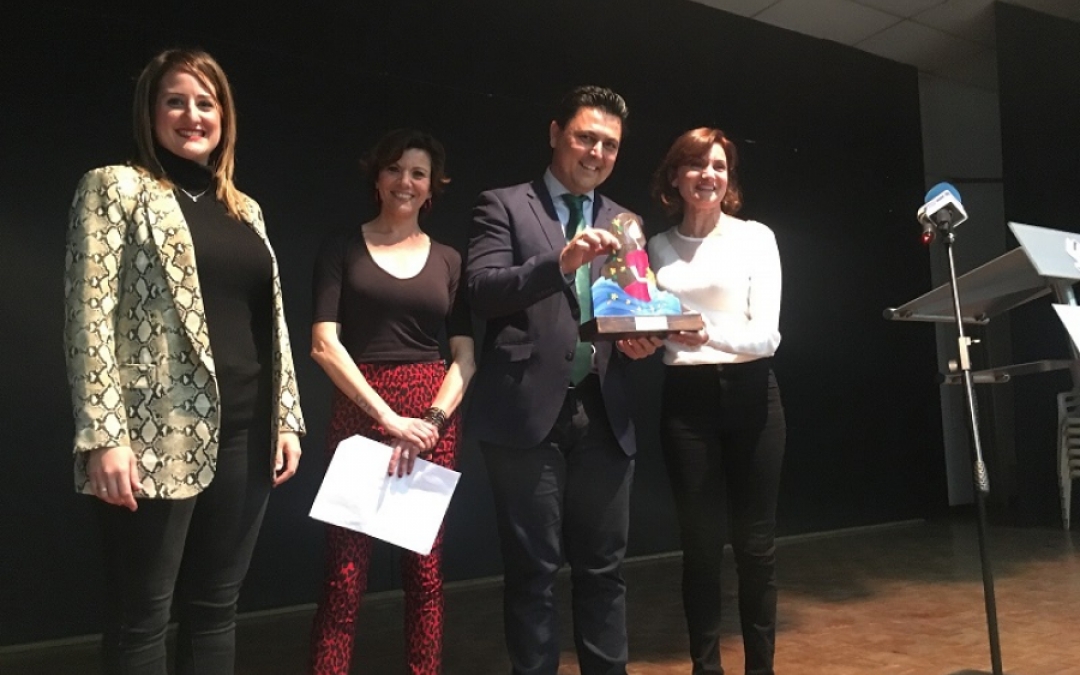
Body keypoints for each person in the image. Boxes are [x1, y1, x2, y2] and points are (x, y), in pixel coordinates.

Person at [63, 48, 306, 675]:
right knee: (141, 617)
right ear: (150, 112)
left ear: (224, 117)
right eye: (175, 101)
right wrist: (104, 436)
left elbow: (271, 322)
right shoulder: (115, 187)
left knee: (216, 610)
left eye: (206, 102)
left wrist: (286, 418)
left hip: (246, 434)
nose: (193, 115)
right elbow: (88, 318)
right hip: (151, 436)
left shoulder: (244, 208)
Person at [466, 86, 661, 675]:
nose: (597, 153)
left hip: (604, 413)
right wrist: (561, 262)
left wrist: (641, 341)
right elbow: (482, 291)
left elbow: (633, 308)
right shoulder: (503, 205)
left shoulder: (626, 221)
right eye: (586, 138)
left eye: (610, 145)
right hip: (526, 416)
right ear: (556, 134)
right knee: (533, 574)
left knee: (604, 572)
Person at [308, 128, 475, 675]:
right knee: (344, 578)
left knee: (425, 576)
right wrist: (386, 417)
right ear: (377, 178)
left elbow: (465, 357)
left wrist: (431, 419)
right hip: (362, 413)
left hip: (431, 422)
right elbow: (323, 343)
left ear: (433, 187)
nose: (406, 181)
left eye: (418, 173)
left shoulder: (449, 259)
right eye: (395, 169)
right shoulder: (342, 247)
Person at [648, 127, 785, 675]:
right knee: (700, 549)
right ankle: (706, 668)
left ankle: (761, 669)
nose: (709, 175)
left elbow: (767, 336)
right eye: (697, 164)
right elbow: (652, 326)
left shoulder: (756, 238)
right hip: (687, 402)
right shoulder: (655, 247)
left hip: (753, 396)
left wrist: (708, 334)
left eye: (720, 166)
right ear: (675, 176)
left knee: (756, 548)